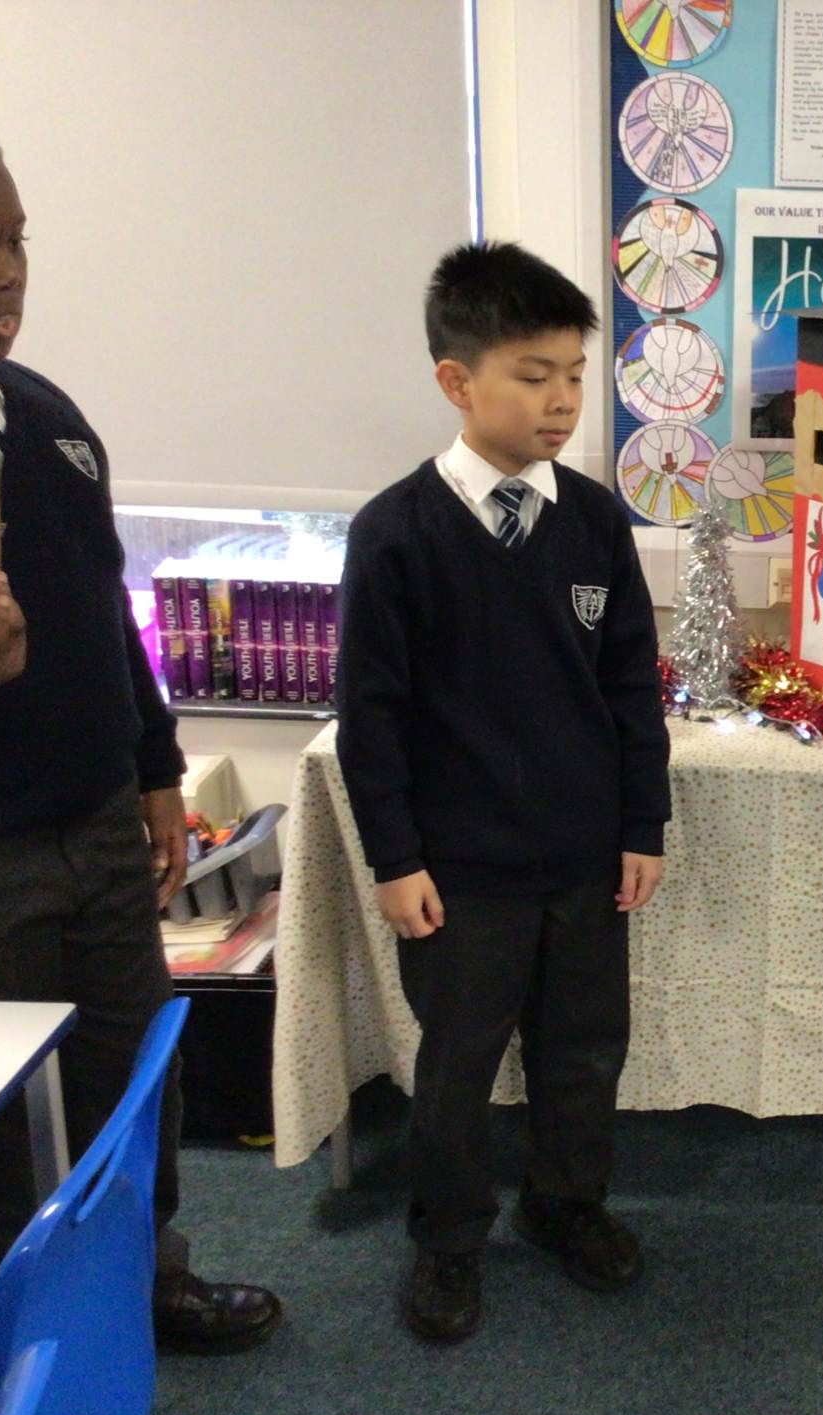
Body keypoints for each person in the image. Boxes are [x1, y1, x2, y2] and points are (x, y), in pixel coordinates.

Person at [0, 85, 279, 1352]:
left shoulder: (38, 412)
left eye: (17, 240)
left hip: (93, 830)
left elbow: (102, 607)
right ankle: (17, 1342)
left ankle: (144, 1281)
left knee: (127, 1084)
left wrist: (155, 766)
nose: (8, 271)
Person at [336, 240, 671, 1343]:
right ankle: (448, 1238)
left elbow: (630, 687)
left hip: (583, 860)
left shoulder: (596, 522)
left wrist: (641, 824)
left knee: (584, 1052)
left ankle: (566, 1205)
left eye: (574, 374)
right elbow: (372, 718)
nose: (562, 400)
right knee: (459, 1063)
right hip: (459, 872)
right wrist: (394, 859)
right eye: (533, 376)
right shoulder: (396, 533)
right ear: (457, 381)